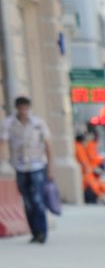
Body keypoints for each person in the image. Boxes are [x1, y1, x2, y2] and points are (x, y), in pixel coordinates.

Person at [5, 95, 54, 244]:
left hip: (38, 165)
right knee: (26, 201)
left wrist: (51, 168)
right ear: (17, 108)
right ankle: (34, 232)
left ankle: (42, 232)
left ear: (29, 108)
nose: (24, 111)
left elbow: (48, 145)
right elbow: (3, 143)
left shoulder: (38, 123)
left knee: (37, 199)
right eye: (21, 108)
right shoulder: (9, 124)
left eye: (26, 108)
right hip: (20, 166)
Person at [75, 132, 105, 202]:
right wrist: (101, 159)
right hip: (86, 172)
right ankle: (101, 197)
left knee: (98, 184)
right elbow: (86, 160)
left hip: (88, 171)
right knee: (95, 184)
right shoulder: (81, 147)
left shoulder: (81, 146)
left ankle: (102, 196)